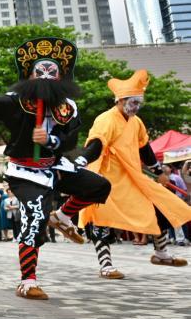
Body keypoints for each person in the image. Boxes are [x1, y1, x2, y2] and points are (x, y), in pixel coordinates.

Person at [0, 37, 112, 296]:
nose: (45, 76)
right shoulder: (17, 101)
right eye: (39, 71)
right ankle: (28, 281)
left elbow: (71, 140)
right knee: (35, 217)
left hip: (55, 166)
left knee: (98, 186)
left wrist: (51, 140)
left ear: (61, 76)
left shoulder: (68, 107)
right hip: (25, 171)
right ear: (29, 75)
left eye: (51, 71)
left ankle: (62, 217)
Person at [79, 70, 191, 271]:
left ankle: (161, 253)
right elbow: (96, 144)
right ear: (120, 100)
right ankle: (106, 265)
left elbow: (145, 148)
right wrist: (81, 160)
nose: (136, 107)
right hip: (107, 180)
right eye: (133, 103)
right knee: (101, 219)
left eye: (139, 103)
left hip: (132, 178)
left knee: (159, 205)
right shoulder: (106, 119)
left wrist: (159, 172)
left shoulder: (136, 122)